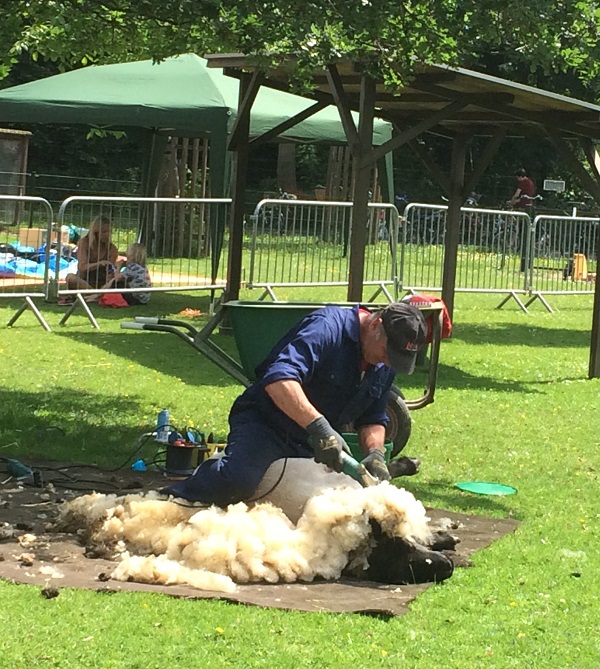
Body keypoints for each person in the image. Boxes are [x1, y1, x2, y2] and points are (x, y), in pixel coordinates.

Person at [164, 302, 428, 507]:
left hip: (312, 443)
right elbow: (279, 379)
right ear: (375, 325)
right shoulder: (326, 328)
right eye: (386, 352)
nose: (387, 363)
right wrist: (321, 429)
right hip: (266, 424)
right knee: (238, 481)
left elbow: (373, 416)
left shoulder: (384, 362)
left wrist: (376, 454)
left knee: (335, 508)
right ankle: (175, 497)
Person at [64, 215, 118, 292]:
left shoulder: (112, 248)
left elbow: (111, 271)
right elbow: (82, 267)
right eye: (104, 232)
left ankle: (94, 294)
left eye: (109, 231)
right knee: (70, 277)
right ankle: (95, 294)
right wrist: (99, 264)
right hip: (84, 280)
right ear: (95, 232)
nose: (107, 234)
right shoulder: (84, 243)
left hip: (103, 283)